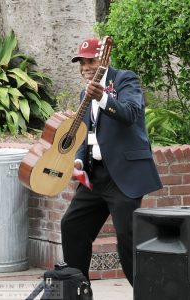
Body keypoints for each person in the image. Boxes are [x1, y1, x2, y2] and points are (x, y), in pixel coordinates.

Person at [61, 37, 162, 287]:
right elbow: (86, 132)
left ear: (104, 60)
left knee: (128, 240)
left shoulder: (126, 80)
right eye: (81, 62)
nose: (85, 66)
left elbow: (130, 114)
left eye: (91, 60)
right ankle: (78, 291)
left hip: (124, 175)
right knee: (72, 226)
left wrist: (104, 98)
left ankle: (147, 293)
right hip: (95, 177)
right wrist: (78, 161)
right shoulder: (84, 91)